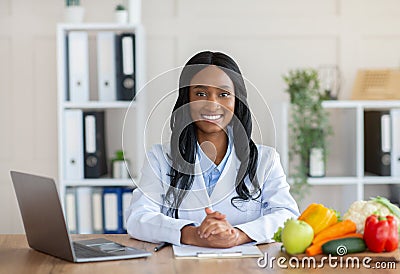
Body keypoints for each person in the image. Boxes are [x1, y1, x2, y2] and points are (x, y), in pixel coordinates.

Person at [125, 51, 299, 248]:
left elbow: (287, 215)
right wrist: (193, 234)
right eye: (200, 94)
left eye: (223, 94)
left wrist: (238, 235)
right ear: (186, 100)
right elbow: (138, 218)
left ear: (237, 101)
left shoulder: (265, 160)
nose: (212, 104)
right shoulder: (160, 158)